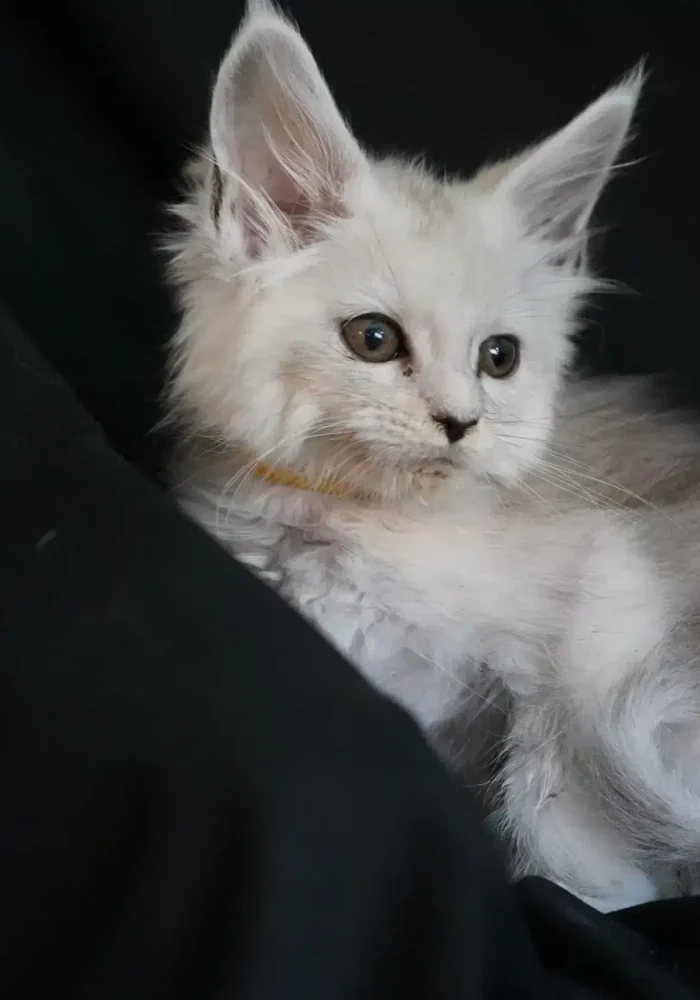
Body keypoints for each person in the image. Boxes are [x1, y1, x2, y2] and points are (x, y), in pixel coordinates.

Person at [1, 1, 699, 997]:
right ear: (257, 229)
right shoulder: (192, 561)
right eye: (378, 339)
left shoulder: (520, 548)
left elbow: (616, 602)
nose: (457, 406)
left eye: (496, 357)